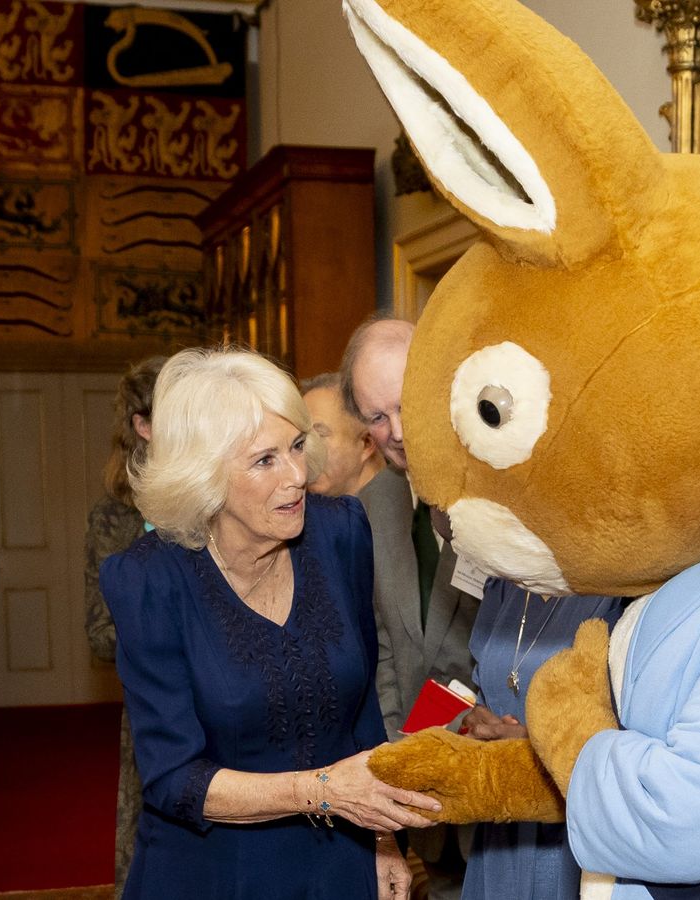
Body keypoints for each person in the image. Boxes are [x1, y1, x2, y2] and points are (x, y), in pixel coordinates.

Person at [99, 347, 440, 899]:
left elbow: (363, 714)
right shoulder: (148, 581)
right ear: (203, 475)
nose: (299, 475)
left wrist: (383, 843)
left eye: (298, 446)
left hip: (339, 862)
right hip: (214, 871)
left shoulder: (340, 532)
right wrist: (323, 791)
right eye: (265, 460)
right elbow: (172, 778)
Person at [340, 315, 480, 899]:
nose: (396, 431)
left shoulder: (499, 493)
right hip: (426, 813)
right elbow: (387, 658)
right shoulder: (374, 506)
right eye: (376, 416)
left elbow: (496, 654)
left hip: (503, 797)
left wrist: (431, 741)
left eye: (405, 404)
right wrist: (403, 764)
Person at [460, 579, 626, 900]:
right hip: (501, 824)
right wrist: (477, 720)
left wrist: (541, 741)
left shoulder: (619, 588)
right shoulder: (506, 584)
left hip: (571, 827)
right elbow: (486, 681)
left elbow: (632, 722)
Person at [84, 355, 164, 899]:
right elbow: (99, 635)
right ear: (143, 425)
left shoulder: (223, 496)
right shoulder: (114, 516)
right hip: (155, 710)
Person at [301, 371, 384, 497]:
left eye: (319, 435)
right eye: (300, 440)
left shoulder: (401, 511)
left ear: (366, 443)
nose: (304, 452)